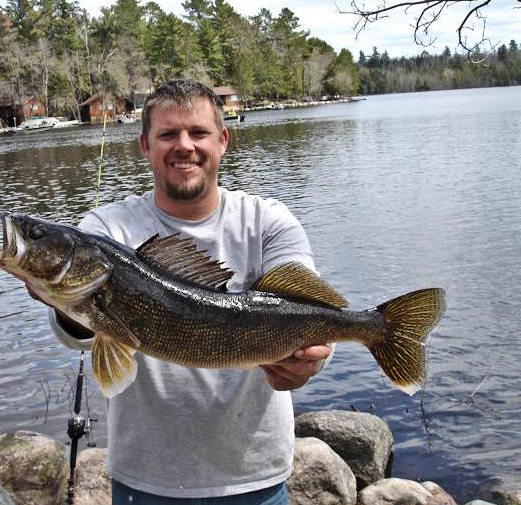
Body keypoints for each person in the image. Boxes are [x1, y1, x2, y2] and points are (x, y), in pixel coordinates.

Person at [32, 79, 333, 504]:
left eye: (198, 132)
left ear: (223, 140)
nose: (184, 146)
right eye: (168, 134)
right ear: (144, 145)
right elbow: (73, 335)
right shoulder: (105, 230)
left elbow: (312, 310)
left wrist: (311, 360)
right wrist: (62, 297)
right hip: (144, 480)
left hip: (254, 479)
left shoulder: (268, 221)